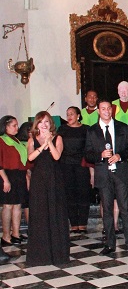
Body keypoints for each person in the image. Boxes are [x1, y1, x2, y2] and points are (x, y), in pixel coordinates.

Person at [85, 99, 128, 255]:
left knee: (126, 210)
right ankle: (109, 244)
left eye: (109, 108)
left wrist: (120, 156)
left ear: (113, 110)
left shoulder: (122, 127)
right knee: (107, 211)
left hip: (121, 173)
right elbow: (87, 154)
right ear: (98, 111)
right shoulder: (92, 131)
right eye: (103, 109)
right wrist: (100, 155)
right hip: (103, 175)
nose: (107, 111)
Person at [26, 111, 70, 266]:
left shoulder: (58, 138)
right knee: (40, 214)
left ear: (50, 123)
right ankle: (40, 254)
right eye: (40, 122)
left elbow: (57, 156)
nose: (43, 125)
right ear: (36, 124)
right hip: (39, 180)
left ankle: (58, 254)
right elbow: (30, 158)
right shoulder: (31, 139)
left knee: (55, 212)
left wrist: (49, 142)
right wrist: (42, 144)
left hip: (54, 179)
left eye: (46, 122)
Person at [57, 107, 91, 234]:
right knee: (69, 193)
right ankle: (74, 223)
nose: (69, 116)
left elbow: (89, 148)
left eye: (72, 114)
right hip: (65, 165)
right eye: (67, 114)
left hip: (82, 165)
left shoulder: (86, 129)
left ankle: (82, 223)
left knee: (83, 193)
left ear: (78, 115)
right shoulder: (62, 129)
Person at [0, 115, 28, 263]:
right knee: (8, 205)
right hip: (7, 175)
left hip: (19, 175)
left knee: (17, 205)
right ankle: (6, 235)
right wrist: (5, 180)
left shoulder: (17, 141)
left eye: (17, 125)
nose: (17, 128)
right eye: (14, 125)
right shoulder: (2, 140)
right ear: (5, 127)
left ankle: (16, 234)